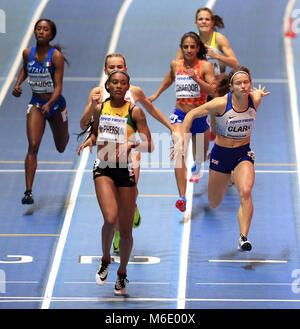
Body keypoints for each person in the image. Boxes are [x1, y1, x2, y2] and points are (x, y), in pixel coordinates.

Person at [80, 53, 172, 252]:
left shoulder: (133, 91)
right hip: (105, 156)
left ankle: (125, 223)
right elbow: (84, 123)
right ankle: (120, 228)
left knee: (130, 191)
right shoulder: (97, 93)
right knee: (114, 205)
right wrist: (91, 106)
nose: (115, 69)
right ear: (105, 71)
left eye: (119, 66)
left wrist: (171, 126)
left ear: (126, 68)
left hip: (130, 154)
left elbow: (151, 109)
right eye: (111, 67)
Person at [77, 70, 154, 295]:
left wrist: (132, 145)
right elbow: (94, 133)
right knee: (110, 219)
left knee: (126, 231)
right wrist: (89, 142)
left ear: (127, 87)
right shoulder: (100, 108)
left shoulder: (135, 112)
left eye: (123, 83)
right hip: (104, 168)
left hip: (125, 171)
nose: (118, 86)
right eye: (114, 82)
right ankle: (105, 259)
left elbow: (150, 145)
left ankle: (122, 273)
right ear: (108, 86)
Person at [181, 66, 270, 251]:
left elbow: (257, 96)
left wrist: (259, 93)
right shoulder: (220, 103)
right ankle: (225, 179)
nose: (244, 86)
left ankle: (243, 237)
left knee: (245, 191)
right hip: (221, 155)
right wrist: (182, 139)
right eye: (239, 83)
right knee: (214, 202)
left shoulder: (255, 100)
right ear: (231, 87)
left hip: (243, 153)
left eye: (247, 82)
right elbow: (190, 114)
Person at [148, 32, 215, 212]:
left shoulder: (206, 66)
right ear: (181, 48)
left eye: (192, 46)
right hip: (180, 116)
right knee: (179, 151)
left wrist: (196, 79)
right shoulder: (176, 65)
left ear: (198, 48)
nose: (189, 50)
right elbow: (170, 77)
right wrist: (157, 93)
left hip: (199, 116)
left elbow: (214, 90)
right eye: (185, 47)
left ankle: (198, 165)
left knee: (200, 154)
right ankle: (182, 197)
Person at [12, 19, 69, 204]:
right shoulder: (27, 53)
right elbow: (25, 69)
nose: (41, 32)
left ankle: (64, 129)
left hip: (56, 104)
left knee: (61, 147)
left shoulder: (56, 56)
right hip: (36, 103)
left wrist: (50, 102)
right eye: (38, 28)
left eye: (45, 29)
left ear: (51, 35)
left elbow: (59, 87)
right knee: (33, 145)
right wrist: (18, 84)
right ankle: (28, 192)